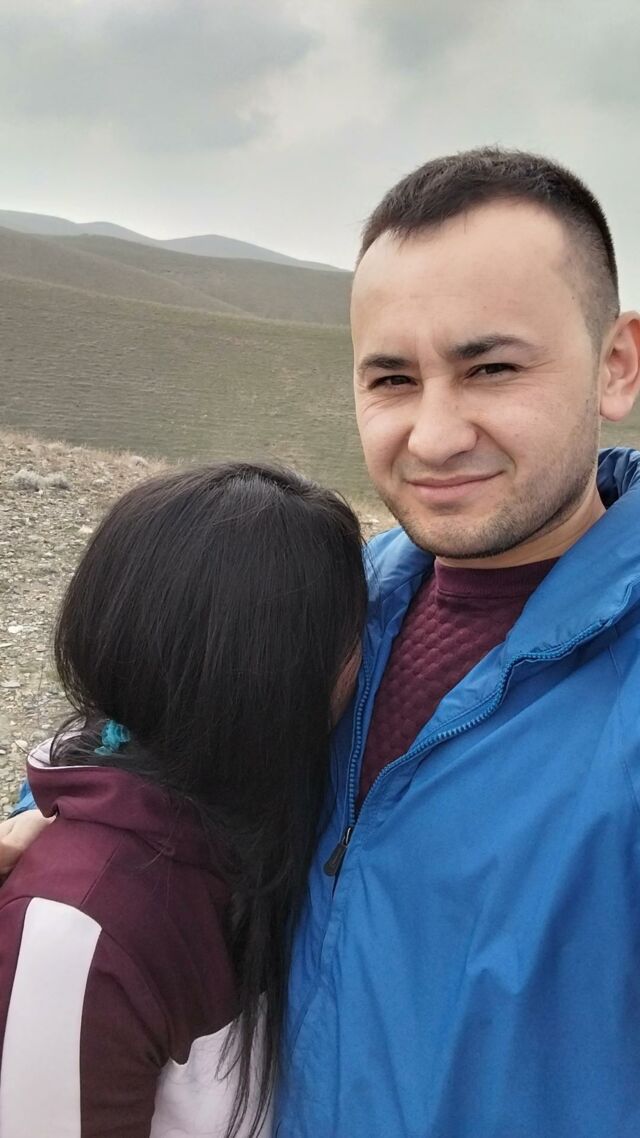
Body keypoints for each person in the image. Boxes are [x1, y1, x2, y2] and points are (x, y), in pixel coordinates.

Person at [6, 147, 640, 1137]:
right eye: (392, 377)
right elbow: (168, 732)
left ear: (616, 364)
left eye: (492, 368)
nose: (434, 435)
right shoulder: (337, 601)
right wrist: (56, 821)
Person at [0, 461, 367, 1138]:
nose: (366, 658)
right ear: (274, 674)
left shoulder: (268, 809)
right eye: (354, 633)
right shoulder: (78, 927)